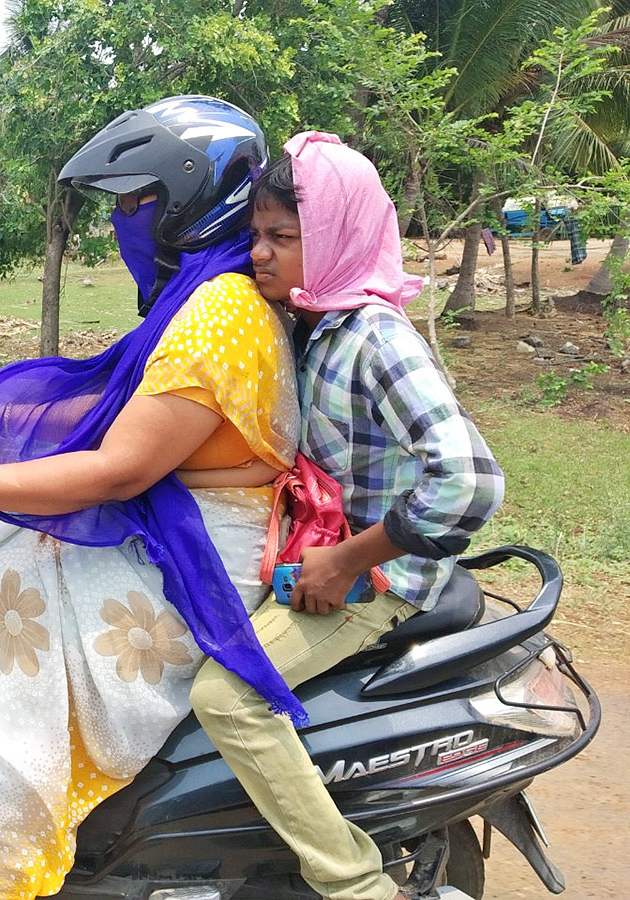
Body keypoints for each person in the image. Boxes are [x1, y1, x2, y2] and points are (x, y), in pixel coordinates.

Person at [0, 96, 302, 900]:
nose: (124, 218)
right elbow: (126, 406)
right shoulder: (208, 292)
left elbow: (120, 468)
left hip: (200, 563)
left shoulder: (220, 311)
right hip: (184, 530)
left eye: (137, 200)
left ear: (190, 197)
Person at [188, 131, 506, 900]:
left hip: (378, 577)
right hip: (319, 546)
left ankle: (357, 884)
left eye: (281, 238)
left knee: (224, 697)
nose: (258, 253)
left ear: (334, 238)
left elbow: (471, 479)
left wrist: (349, 561)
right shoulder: (311, 321)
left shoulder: (374, 337)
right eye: (255, 235)